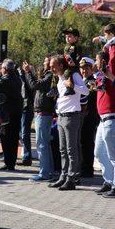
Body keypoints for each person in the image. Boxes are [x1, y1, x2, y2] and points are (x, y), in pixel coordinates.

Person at [48, 55, 88, 190]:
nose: (51, 68)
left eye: (53, 66)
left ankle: (72, 178)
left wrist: (73, 85)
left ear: (60, 65)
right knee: (62, 149)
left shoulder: (74, 75)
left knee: (71, 149)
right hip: (61, 116)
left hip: (71, 116)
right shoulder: (59, 78)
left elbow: (86, 91)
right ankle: (63, 176)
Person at [93, 44, 115, 198]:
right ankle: (109, 181)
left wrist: (111, 44)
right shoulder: (100, 76)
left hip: (112, 119)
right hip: (103, 120)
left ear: (104, 62)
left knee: (114, 156)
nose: (95, 62)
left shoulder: (112, 73)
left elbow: (112, 61)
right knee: (99, 152)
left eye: (97, 59)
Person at [0, 59, 23, 171]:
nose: (1, 69)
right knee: (14, 137)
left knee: (5, 137)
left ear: (5, 69)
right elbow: (0, 82)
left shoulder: (7, 79)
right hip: (16, 111)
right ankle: (11, 162)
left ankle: (8, 163)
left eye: (2, 68)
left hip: (7, 113)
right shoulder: (17, 78)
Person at [22, 57, 56, 181]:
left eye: (46, 61)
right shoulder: (46, 75)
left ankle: (44, 173)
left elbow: (34, 85)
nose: (44, 63)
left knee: (42, 144)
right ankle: (49, 171)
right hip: (43, 113)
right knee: (45, 143)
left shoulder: (49, 76)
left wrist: (28, 73)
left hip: (44, 113)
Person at [79, 57, 99, 179]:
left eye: (86, 68)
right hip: (82, 116)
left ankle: (87, 168)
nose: (84, 71)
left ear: (91, 69)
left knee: (87, 143)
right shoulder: (82, 80)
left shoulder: (92, 81)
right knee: (82, 142)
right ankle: (83, 167)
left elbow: (90, 99)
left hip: (89, 116)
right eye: (82, 68)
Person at [59, 27, 83, 96]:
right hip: (66, 64)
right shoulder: (67, 46)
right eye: (66, 36)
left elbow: (79, 56)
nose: (67, 38)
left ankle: (70, 89)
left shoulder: (76, 47)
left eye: (69, 36)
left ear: (76, 38)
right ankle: (54, 88)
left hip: (72, 66)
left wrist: (75, 63)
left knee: (67, 73)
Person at [19, 66, 34, 166]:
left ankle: (27, 157)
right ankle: (25, 156)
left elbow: (27, 92)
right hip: (22, 107)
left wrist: (24, 76)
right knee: (22, 133)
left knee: (25, 133)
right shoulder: (23, 79)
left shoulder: (30, 80)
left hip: (27, 108)